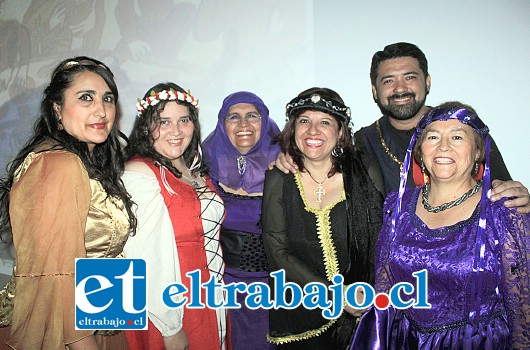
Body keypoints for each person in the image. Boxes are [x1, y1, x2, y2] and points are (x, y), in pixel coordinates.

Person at [351, 102, 530, 349]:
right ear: (420, 150)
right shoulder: (397, 206)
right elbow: (386, 282)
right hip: (407, 341)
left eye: (457, 136)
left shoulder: (504, 210)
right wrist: (369, 300)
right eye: (433, 137)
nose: (443, 146)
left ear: (478, 151)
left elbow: (523, 306)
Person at [275, 42, 530, 213]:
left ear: (427, 82)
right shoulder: (363, 140)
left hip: (466, 265)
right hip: (397, 268)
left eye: (409, 77)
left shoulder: (463, 129)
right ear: (375, 91)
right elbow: (321, 166)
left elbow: (505, 192)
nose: (400, 88)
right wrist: (290, 156)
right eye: (388, 80)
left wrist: (519, 196)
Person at [0, 56, 136, 349]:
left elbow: (101, 261)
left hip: (101, 318)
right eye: (85, 98)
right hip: (70, 334)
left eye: (108, 98)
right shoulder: (58, 164)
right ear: (57, 109)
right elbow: (56, 279)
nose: (101, 110)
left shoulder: (83, 162)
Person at [262, 87, 384, 349]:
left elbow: (380, 241)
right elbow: (277, 251)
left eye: (325, 122)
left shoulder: (364, 174)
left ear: (340, 132)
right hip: (297, 313)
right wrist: (336, 295)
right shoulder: (278, 178)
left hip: (357, 315)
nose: (313, 131)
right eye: (304, 121)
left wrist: (365, 293)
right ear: (293, 129)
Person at [121, 82, 227, 350]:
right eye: (163, 122)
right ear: (146, 127)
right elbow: (144, 255)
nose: (176, 131)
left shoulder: (198, 173)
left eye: (184, 120)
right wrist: (170, 326)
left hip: (210, 295)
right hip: (171, 303)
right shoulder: (140, 173)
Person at [203, 91, 280, 350]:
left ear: (265, 121)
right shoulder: (201, 166)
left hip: (275, 291)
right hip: (221, 289)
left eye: (252, 116)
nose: (243, 124)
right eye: (233, 117)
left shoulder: (287, 166)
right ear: (222, 125)